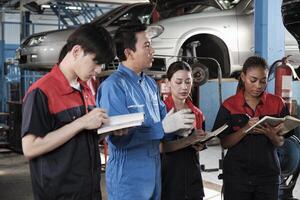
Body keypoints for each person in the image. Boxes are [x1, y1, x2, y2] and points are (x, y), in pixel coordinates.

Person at [96, 23, 195, 200]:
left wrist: (180, 130)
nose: (153, 51)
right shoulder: (113, 87)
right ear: (129, 53)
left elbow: (163, 123)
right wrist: (162, 127)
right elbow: (120, 139)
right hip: (128, 176)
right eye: (147, 46)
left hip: (154, 173)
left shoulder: (149, 84)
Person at [21, 23, 115, 200]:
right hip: (59, 194)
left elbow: (80, 137)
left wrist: (107, 130)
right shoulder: (41, 92)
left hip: (90, 190)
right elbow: (30, 147)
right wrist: (81, 122)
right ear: (76, 51)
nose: (99, 70)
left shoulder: (86, 88)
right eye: (96, 62)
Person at [213, 56, 293, 200]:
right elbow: (224, 143)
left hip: (268, 176)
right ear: (243, 77)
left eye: (263, 81)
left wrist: (271, 135)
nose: (258, 86)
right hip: (237, 176)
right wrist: (245, 129)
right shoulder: (229, 105)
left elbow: (281, 142)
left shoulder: (277, 103)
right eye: (253, 80)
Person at [160, 61, 207, 200]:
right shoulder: (161, 110)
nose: (184, 87)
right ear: (168, 83)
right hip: (168, 180)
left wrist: (200, 143)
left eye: (188, 81)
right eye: (178, 82)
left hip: (192, 179)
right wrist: (189, 140)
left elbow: (198, 145)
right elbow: (160, 147)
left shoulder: (197, 113)